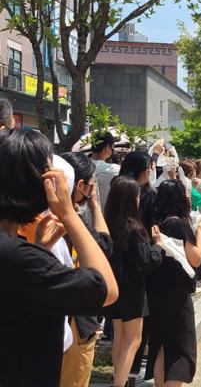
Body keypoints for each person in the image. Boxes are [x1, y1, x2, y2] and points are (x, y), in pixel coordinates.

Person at [0, 129, 118, 387]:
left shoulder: (20, 253)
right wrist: (68, 214)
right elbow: (107, 288)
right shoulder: (20, 259)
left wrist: (39, 247)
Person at [59, 152, 114, 387]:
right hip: (75, 322)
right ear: (79, 185)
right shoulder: (72, 220)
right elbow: (105, 246)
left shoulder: (36, 216)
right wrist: (94, 204)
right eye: (90, 186)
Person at [104, 176, 164, 387]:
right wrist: (157, 245)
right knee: (134, 340)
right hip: (133, 289)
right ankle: (119, 384)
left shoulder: (108, 224)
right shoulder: (135, 229)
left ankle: (117, 380)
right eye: (137, 196)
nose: (140, 200)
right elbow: (147, 261)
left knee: (119, 339)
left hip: (114, 286)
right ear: (131, 200)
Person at [146, 180, 201, 386]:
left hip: (155, 292)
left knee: (161, 347)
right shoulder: (180, 225)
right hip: (177, 295)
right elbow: (196, 258)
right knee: (181, 350)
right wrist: (199, 231)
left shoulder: (155, 224)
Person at [90, 131, 120, 210]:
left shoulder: (80, 165)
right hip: (106, 217)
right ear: (107, 148)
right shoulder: (115, 170)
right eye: (112, 148)